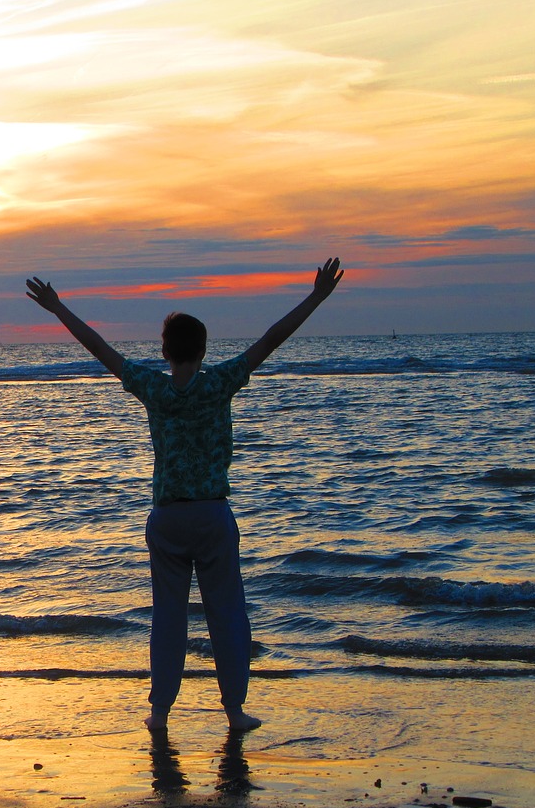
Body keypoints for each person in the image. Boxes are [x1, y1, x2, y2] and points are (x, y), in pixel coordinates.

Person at [25, 259, 345, 732]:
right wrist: (317, 297)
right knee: (227, 615)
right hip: (213, 516)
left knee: (168, 618)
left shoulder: (154, 387)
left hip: (168, 519)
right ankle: (234, 712)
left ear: (166, 351)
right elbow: (271, 340)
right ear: (202, 349)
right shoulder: (218, 383)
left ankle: (159, 712)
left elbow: (100, 349)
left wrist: (58, 308)